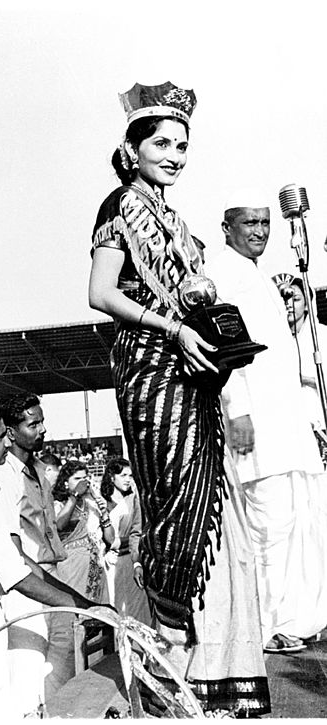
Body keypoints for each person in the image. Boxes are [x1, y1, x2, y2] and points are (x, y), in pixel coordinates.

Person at [88, 82, 270, 716]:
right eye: (161, 143)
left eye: (182, 145)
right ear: (131, 148)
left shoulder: (175, 219)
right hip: (153, 371)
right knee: (173, 505)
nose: (174, 154)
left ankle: (201, 670)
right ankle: (169, 654)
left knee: (205, 504)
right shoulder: (120, 205)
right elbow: (101, 293)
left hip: (194, 371)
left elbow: (183, 289)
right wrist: (172, 325)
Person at [205, 190, 327, 654]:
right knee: (271, 527)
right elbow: (225, 352)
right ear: (227, 228)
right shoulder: (220, 274)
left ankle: (301, 617)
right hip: (257, 427)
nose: (258, 231)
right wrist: (237, 411)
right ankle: (272, 623)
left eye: (264, 223)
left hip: (288, 426)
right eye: (249, 223)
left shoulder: (254, 276)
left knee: (301, 522)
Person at [0, 398, 104, 717]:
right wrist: (75, 602)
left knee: (41, 685)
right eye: (1, 436)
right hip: (9, 596)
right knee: (19, 690)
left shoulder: (8, 477)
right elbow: (14, 567)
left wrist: (72, 600)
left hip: (34, 581)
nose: (7, 442)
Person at [0, 393, 103, 709]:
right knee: (34, 667)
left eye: (42, 422)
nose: (42, 430)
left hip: (51, 572)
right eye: (33, 424)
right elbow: (13, 552)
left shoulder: (36, 468)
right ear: (11, 432)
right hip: (25, 581)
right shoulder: (3, 473)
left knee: (65, 653)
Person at [273, 273, 327, 465]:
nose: (288, 304)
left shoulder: (321, 335)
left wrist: (304, 379)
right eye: (284, 299)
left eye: (295, 299)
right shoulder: (273, 340)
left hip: (319, 425)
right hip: (286, 430)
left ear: (306, 305)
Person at [52, 460, 113, 602]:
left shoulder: (91, 503)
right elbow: (59, 525)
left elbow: (110, 538)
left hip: (94, 562)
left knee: (98, 606)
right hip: (71, 565)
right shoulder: (58, 504)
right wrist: (74, 495)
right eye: (77, 479)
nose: (82, 482)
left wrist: (104, 513)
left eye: (84, 478)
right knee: (77, 605)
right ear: (65, 482)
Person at [100, 457, 151, 625]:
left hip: (128, 561)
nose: (128, 479)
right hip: (107, 566)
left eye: (130, 475)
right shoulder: (100, 501)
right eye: (123, 475)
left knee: (135, 613)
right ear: (111, 477)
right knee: (114, 613)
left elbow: (136, 534)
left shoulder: (133, 501)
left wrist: (137, 564)